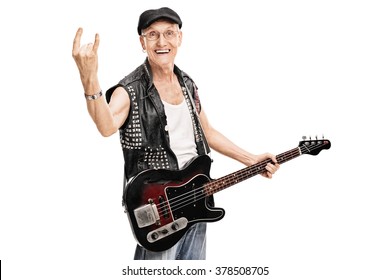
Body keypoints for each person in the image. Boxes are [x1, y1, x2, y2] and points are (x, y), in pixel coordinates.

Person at [72, 7, 280, 260]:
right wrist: (89, 78)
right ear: (142, 42)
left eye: (169, 33)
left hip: (197, 197)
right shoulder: (130, 89)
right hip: (158, 205)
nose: (162, 42)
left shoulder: (188, 84)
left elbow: (207, 132)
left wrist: (251, 160)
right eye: (153, 34)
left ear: (179, 38)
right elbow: (106, 126)